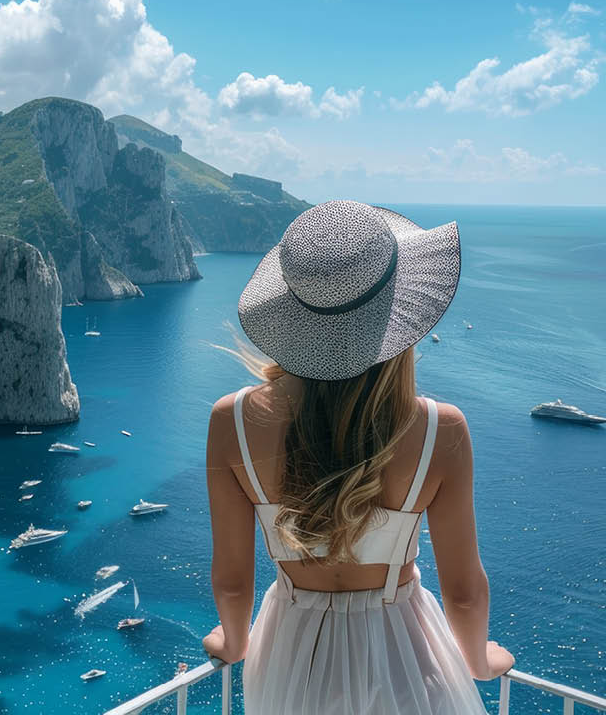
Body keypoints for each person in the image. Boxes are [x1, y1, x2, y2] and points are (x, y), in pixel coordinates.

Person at [202, 200, 512, 713]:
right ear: (399, 315)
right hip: (403, 659)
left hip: (292, 659)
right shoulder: (440, 430)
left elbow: (232, 582)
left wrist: (233, 644)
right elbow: (463, 592)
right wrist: (479, 661)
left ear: (291, 316)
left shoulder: (231, 421)